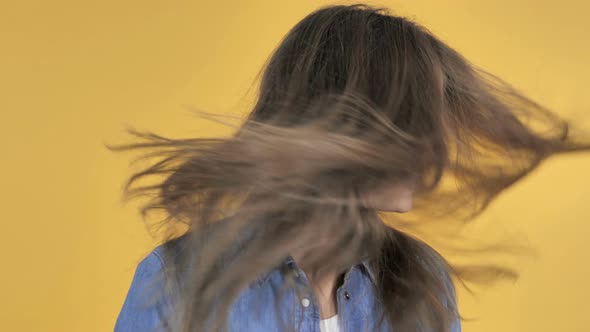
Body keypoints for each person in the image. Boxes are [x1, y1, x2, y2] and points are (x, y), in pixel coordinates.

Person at [111, 4, 590, 332]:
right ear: (338, 120)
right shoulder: (177, 279)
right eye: (414, 118)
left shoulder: (424, 278)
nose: (434, 146)